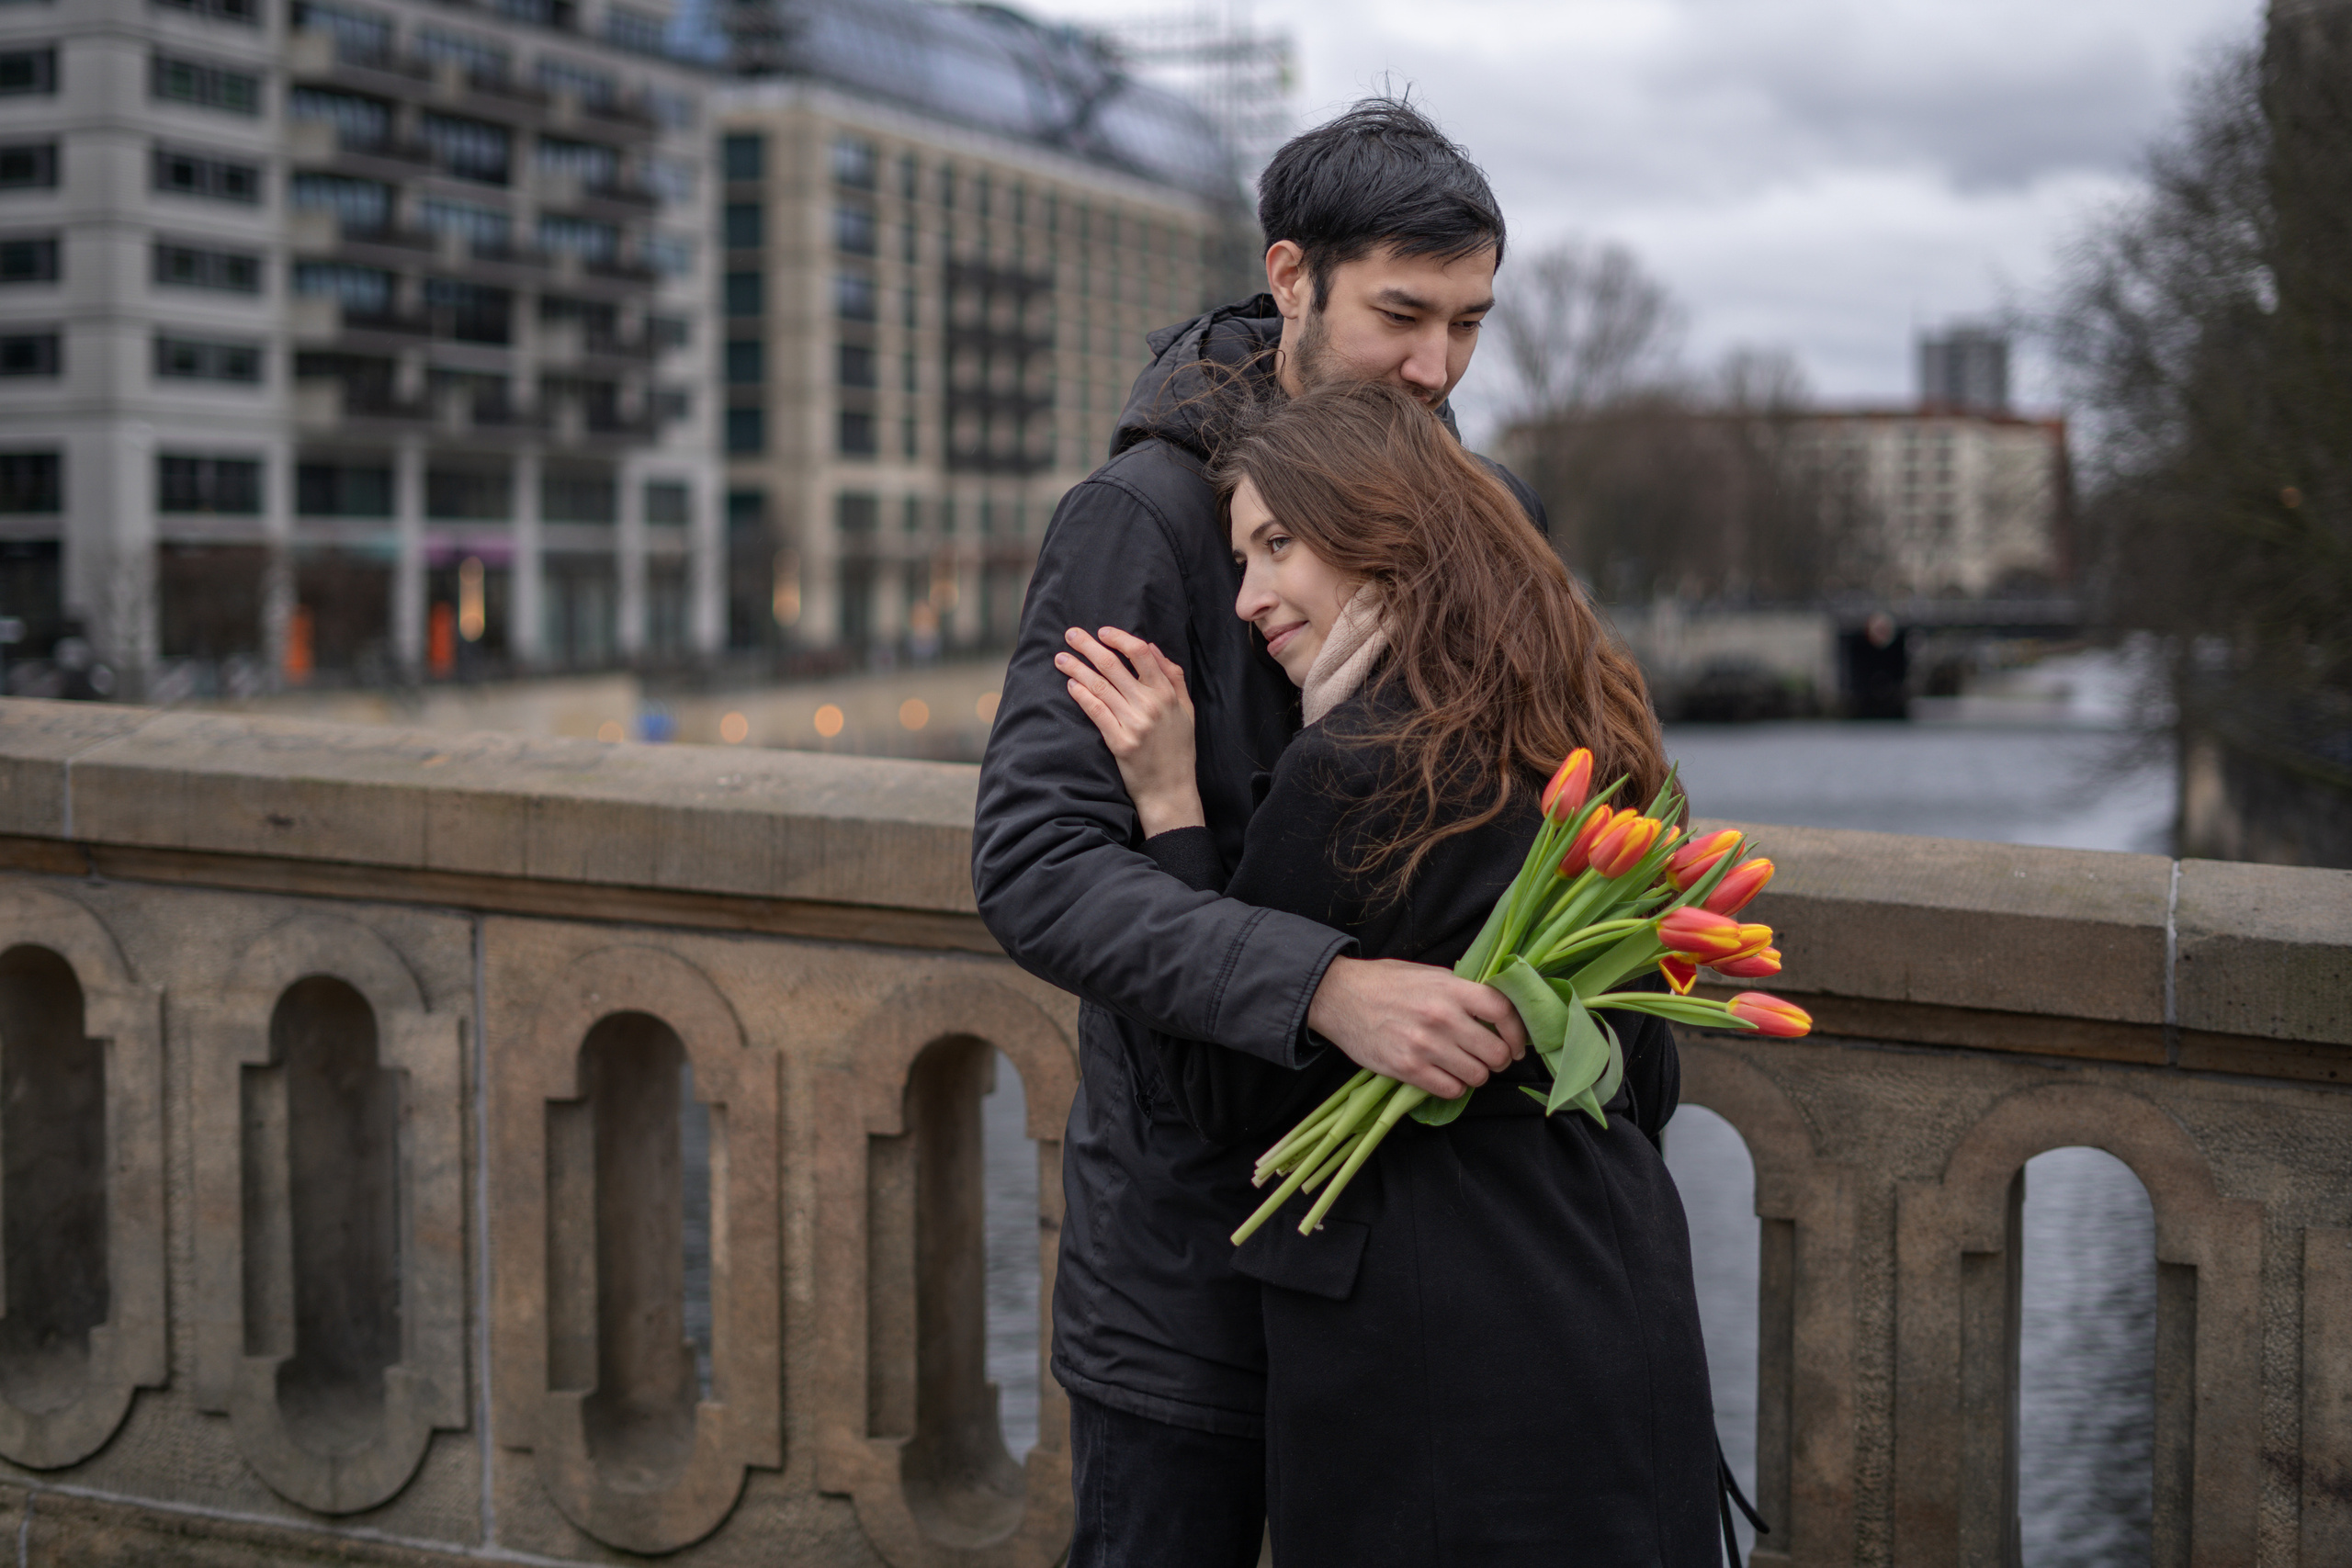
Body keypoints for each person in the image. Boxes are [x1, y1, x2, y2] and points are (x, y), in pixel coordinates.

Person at [971, 100, 1544, 1568]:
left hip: (1422, 1260)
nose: (1439, 369)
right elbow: (1034, 865)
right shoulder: (1141, 519)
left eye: (1470, 324)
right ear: (1290, 280)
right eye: (1402, 317)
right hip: (1192, 1265)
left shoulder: (1480, 515)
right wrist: (1321, 988)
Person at [1057, 378, 1722, 1566]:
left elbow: (1219, 1103)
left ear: (1382, 534)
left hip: (1427, 1352)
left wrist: (1170, 808)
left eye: (1277, 545)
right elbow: (1649, 1076)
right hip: (1616, 1295)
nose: (1252, 595)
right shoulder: (1598, 734)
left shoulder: (1360, 769)